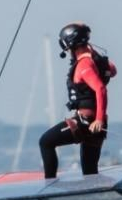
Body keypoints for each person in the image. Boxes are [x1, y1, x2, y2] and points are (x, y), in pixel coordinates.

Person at [40, 22, 115, 178]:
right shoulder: (94, 61)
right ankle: (96, 199)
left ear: (70, 45)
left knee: (46, 142)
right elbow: (112, 70)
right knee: (89, 172)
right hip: (94, 125)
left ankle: (49, 187)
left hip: (86, 123)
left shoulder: (84, 65)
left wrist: (99, 119)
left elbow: (100, 88)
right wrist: (92, 52)